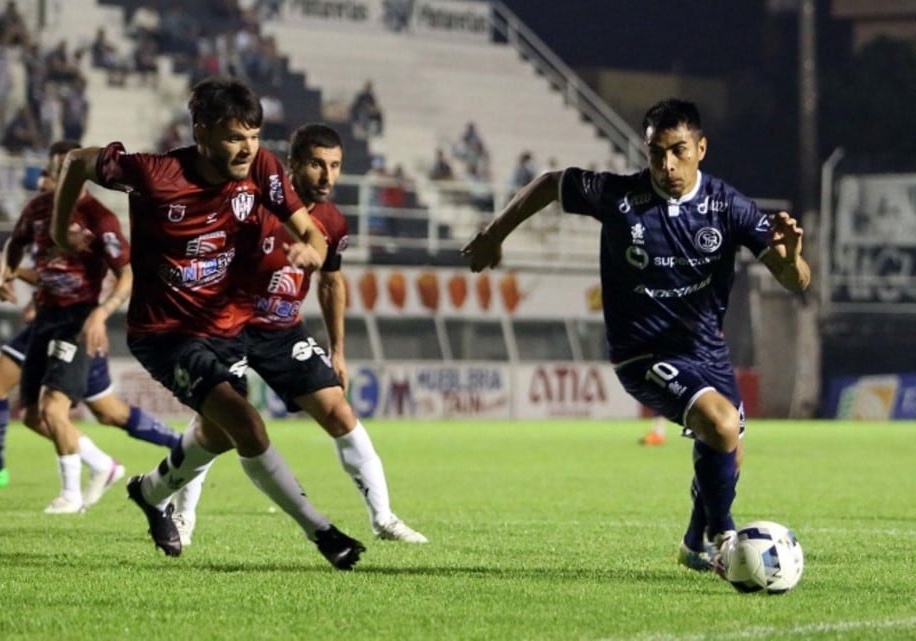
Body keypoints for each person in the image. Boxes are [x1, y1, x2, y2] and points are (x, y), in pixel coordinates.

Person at [463, 98, 811, 578]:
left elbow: (796, 282)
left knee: (728, 447)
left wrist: (792, 259)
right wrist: (494, 234)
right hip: (641, 352)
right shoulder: (620, 197)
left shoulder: (727, 206)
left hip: (706, 352)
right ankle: (724, 539)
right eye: (655, 153)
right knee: (724, 427)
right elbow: (549, 185)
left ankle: (693, 544)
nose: (666, 165)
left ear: (701, 149)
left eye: (678, 151)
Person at [50, 76, 365, 569]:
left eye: (255, 135)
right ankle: (322, 532)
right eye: (235, 137)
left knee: (216, 434)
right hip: (166, 334)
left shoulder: (260, 167)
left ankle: (151, 492)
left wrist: (312, 248)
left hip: (227, 326)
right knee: (245, 423)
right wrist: (58, 229)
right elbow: (76, 161)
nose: (248, 148)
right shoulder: (155, 174)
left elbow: (313, 231)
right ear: (202, 131)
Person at [174, 123, 427, 546]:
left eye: (335, 166)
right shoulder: (252, 205)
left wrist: (338, 351)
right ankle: (182, 516)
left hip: (282, 331)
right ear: (292, 165)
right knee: (215, 426)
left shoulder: (332, 222)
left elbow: (331, 283)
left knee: (339, 413)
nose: (327, 176)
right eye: (316, 164)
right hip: (228, 326)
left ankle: (383, 518)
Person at [0, 139, 141, 513]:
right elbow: (16, 241)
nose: (62, 173)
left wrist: (101, 313)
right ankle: (103, 466)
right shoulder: (39, 208)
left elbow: (126, 274)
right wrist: (6, 274)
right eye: (57, 166)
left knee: (55, 409)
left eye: (70, 167)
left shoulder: (99, 218)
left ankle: (71, 495)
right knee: (30, 416)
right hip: (45, 316)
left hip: (78, 319)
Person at [0, 301, 182, 490]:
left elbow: (117, 276)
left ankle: (180, 445)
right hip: (48, 324)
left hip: (72, 327)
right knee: (24, 407)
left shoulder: (98, 250)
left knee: (105, 412)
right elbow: (54, 273)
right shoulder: (46, 250)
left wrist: (99, 314)